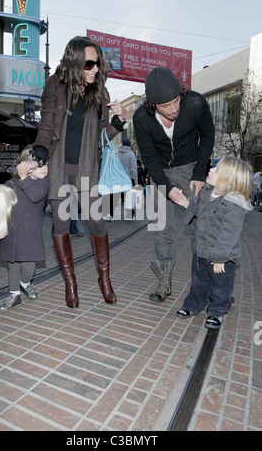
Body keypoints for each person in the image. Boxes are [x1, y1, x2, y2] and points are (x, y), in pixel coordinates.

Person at [32, 36, 127, 309]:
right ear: (74, 61)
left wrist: (118, 124)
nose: (94, 69)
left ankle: (104, 279)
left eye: (97, 63)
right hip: (60, 166)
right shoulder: (55, 86)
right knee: (61, 224)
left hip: (87, 167)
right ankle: (70, 283)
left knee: (96, 223)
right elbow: (47, 122)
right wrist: (40, 149)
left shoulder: (101, 92)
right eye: (88, 64)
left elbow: (102, 136)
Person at [133, 67, 215, 303]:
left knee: (200, 228)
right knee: (161, 229)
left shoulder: (196, 103)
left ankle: (205, 285)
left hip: (191, 169)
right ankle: (164, 283)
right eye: (166, 105)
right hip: (160, 174)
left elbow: (207, 136)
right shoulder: (141, 118)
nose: (174, 108)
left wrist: (200, 173)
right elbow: (148, 157)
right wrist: (167, 187)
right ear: (152, 105)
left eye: (176, 100)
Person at [175, 156, 253, 329]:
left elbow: (229, 235)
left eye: (216, 170)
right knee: (199, 282)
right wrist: (186, 203)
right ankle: (193, 305)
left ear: (228, 180)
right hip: (202, 250)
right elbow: (198, 209)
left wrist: (220, 259)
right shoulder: (207, 192)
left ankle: (217, 310)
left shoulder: (233, 206)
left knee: (220, 286)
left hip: (222, 257)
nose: (210, 170)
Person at [0, 146, 48, 311]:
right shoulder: (12, 183)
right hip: (11, 232)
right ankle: (14, 295)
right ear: (23, 166)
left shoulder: (42, 183)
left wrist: (25, 177)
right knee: (13, 265)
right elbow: (2, 200)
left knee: (28, 267)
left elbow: (34, 196)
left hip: (29, 234)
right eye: (38, 165)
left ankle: (25, 284)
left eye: (45, 165)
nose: (44, 168)